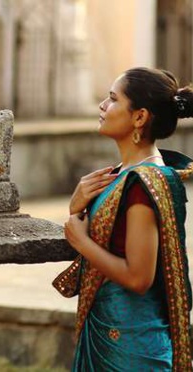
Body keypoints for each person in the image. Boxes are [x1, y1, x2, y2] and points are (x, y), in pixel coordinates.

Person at [54, 67, 193, 371]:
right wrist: (77, 206)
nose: (102, 106)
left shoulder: (144, 183)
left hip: (131, 347)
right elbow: (106, 237)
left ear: (139, 117)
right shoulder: (122, 175)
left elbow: (138, 277)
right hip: (109, 332)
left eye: (113, 99)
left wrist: (80, 242)